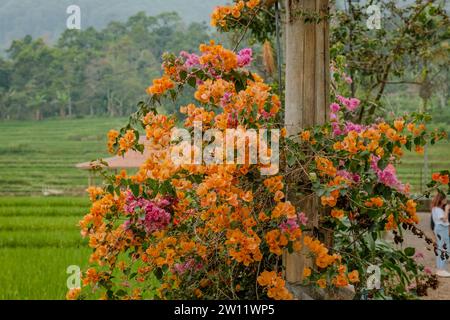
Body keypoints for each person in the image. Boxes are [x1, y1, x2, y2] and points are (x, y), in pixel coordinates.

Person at [431, 192, 450, 277]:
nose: (446, 200)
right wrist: (447, 209)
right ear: (441, 200)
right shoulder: (437, 209)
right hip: (441, 228)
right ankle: (440, 269)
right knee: (443, 249)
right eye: (445, 199)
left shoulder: (436, 209)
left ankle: (440, 268)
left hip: (442, 229)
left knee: (443, 248)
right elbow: (444, 219)